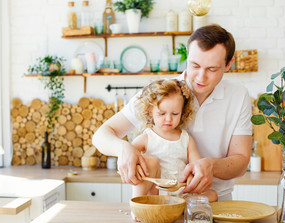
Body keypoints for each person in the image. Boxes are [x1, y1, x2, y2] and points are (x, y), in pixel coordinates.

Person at [93, 24, 252, 201]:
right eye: (195, 65)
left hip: (215, 201)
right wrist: (123, 148)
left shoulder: (238, 95)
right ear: (187, 57)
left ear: (228, 64)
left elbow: (241, 162)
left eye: (212, 69)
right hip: (161, 201)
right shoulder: (162, 92)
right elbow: (101, 136)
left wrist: (211, 165)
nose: (200, 77)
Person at [131, 79, 217, 203]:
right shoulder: (146, 138)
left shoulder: (186, 139)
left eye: (175, 114)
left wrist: (192, 176)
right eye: (162, 114)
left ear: (182, 112)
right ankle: (137, 203)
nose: (168, 119)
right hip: (155, 194)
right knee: (150, 161)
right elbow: (129, 157)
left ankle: (179, 205)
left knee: (213, 195)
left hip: (180, 193)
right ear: (151, 111)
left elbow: (197, 165)